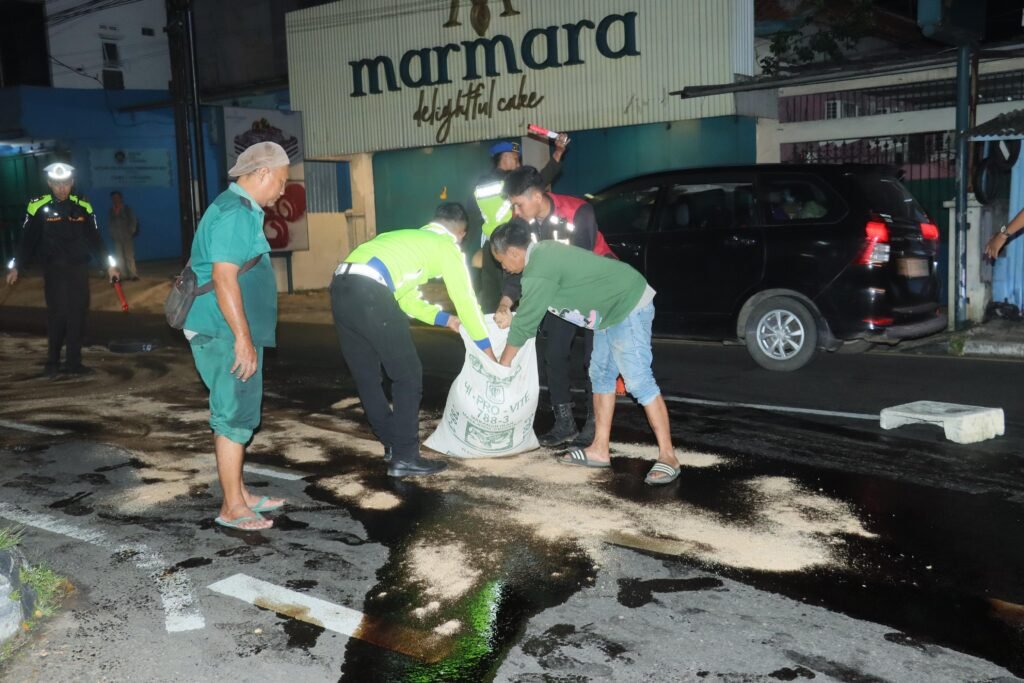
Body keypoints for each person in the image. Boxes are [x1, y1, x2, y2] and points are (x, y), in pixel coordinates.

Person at [490, 218, 681, 485]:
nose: (504, 268)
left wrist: (501, 367)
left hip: (627, 302)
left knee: (638, 379)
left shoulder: (539, 267)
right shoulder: (541, 256)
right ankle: (600, 449)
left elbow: (525, 326)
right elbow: (534, 307)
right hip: (605, 312)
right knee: (600, 376)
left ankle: (668, 455)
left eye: (501, 261)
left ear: (513, 252)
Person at [330, 203, 495, 478]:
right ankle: (406, 456)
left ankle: (393, 446)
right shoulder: (446, 246)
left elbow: (404, 298)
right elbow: (465, 297)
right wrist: (485, 346)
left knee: (367, 378)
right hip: (370, 291)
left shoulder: (406, 239)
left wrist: (445, 319)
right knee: (407, 375)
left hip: (340, 286)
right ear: (461, 234)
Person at [183, 141, 289, 531]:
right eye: (280, 181)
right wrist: (243, 339)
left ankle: (240, 494)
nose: (282, 191)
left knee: (236, 410)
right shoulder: (234, 214)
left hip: (225, 328)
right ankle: (231, 507)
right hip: (223, 331)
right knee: (233, 415)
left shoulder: (238, 209)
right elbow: (224, 277)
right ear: (262, 174)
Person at [494, 165, 617, 448]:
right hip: (559, 293)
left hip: (597, 288)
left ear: (536, 196)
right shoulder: (522, 224)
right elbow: (516, 266)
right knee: (554, 352)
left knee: (593, 360)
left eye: (518, 203)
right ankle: (564, 422)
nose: (516, 209)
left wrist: (538, 298)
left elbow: (583, 266)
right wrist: (505, 303)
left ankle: (594, 422)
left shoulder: (579, 212)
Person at [5, 162, 119, 376]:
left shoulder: (83, 207)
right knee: (58, 315)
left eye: (65, 183)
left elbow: (96, 240)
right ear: (50, 183)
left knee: (77, 315)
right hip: (54, 270)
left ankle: (74, 364)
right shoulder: (38, 207)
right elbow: (27, 241)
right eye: (57, 184)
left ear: (72, 182)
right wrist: (16, 267)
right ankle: (53, 363)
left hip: (78, 270)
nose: (62, 188)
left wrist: (109, 266)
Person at [466, 135, 569, 312]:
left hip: (490, 246)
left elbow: (474, 216)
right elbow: (540, 181)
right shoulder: (510, 184)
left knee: (491, 298)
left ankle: (494, 333)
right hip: (513, 246)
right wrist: (558, 154)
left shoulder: (479, 186)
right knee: (516, 293)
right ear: (504, 158)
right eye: (515, 159)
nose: (519, 164)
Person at [108, 191, 139, 280]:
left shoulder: (127, 209)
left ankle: (133, 275)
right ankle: (124, 275)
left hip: (127, 236)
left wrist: (131, 232)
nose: (115, 199)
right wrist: (112, 234)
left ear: (121, 198)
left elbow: (133, 221)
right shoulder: (111, 210)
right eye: (113, 198)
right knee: (119, 257)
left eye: (117, 197)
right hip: (117, 237)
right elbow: (110, 223)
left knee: (129, 256)